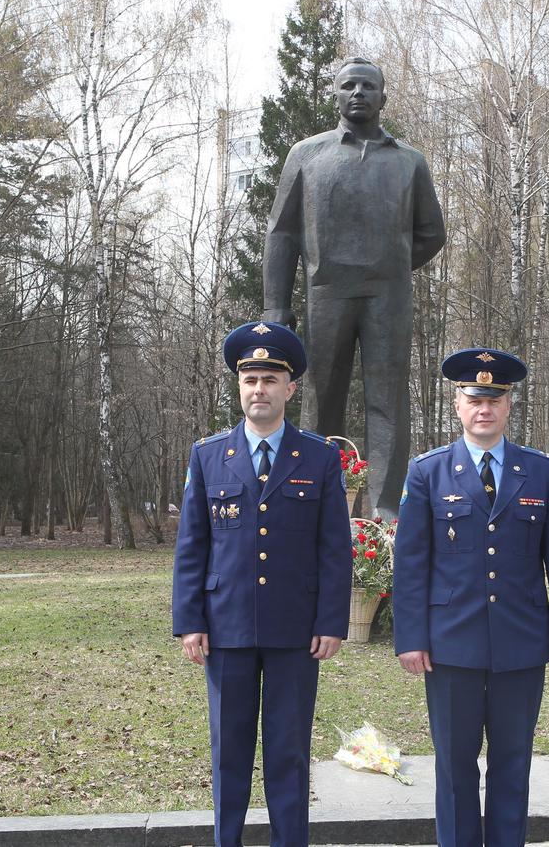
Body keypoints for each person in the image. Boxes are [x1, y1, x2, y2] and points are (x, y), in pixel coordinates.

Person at [392, 348, 549, 847]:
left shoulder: (540, 471)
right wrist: (410, 638)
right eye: (474, 398)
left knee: (513, 763)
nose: (484, 408)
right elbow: (410, 564)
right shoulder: (428, 472)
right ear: (458, 404)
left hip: (521, 642)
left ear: (508, 406)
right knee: (454, 765)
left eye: (494, 399)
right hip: (450, 644)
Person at [173, 321, 352, 847]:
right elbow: (192, 545)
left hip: (295, 631)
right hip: (225, 627)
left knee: (288, 751)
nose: (259, 389)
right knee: (228, 751)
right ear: (239, 386)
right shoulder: (209, 456)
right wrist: (189, 621)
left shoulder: (319, 457)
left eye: (271, 379)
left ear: (290, 388)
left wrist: (331, 621)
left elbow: (334, 548)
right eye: (251, 379)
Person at [262, 55, 446, 521]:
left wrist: (392, 265)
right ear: (336, 95)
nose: (358, 93)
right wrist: (275, 306)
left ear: (383, 97)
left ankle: (387, 510)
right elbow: (282, 233)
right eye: (349, 86)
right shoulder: (307, 154)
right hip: (326, 292)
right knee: (324, 396)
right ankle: (321, 501)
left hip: (388, 295)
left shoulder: (408, 161)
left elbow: (431, 232)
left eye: (368, 86)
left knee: (388, 398)